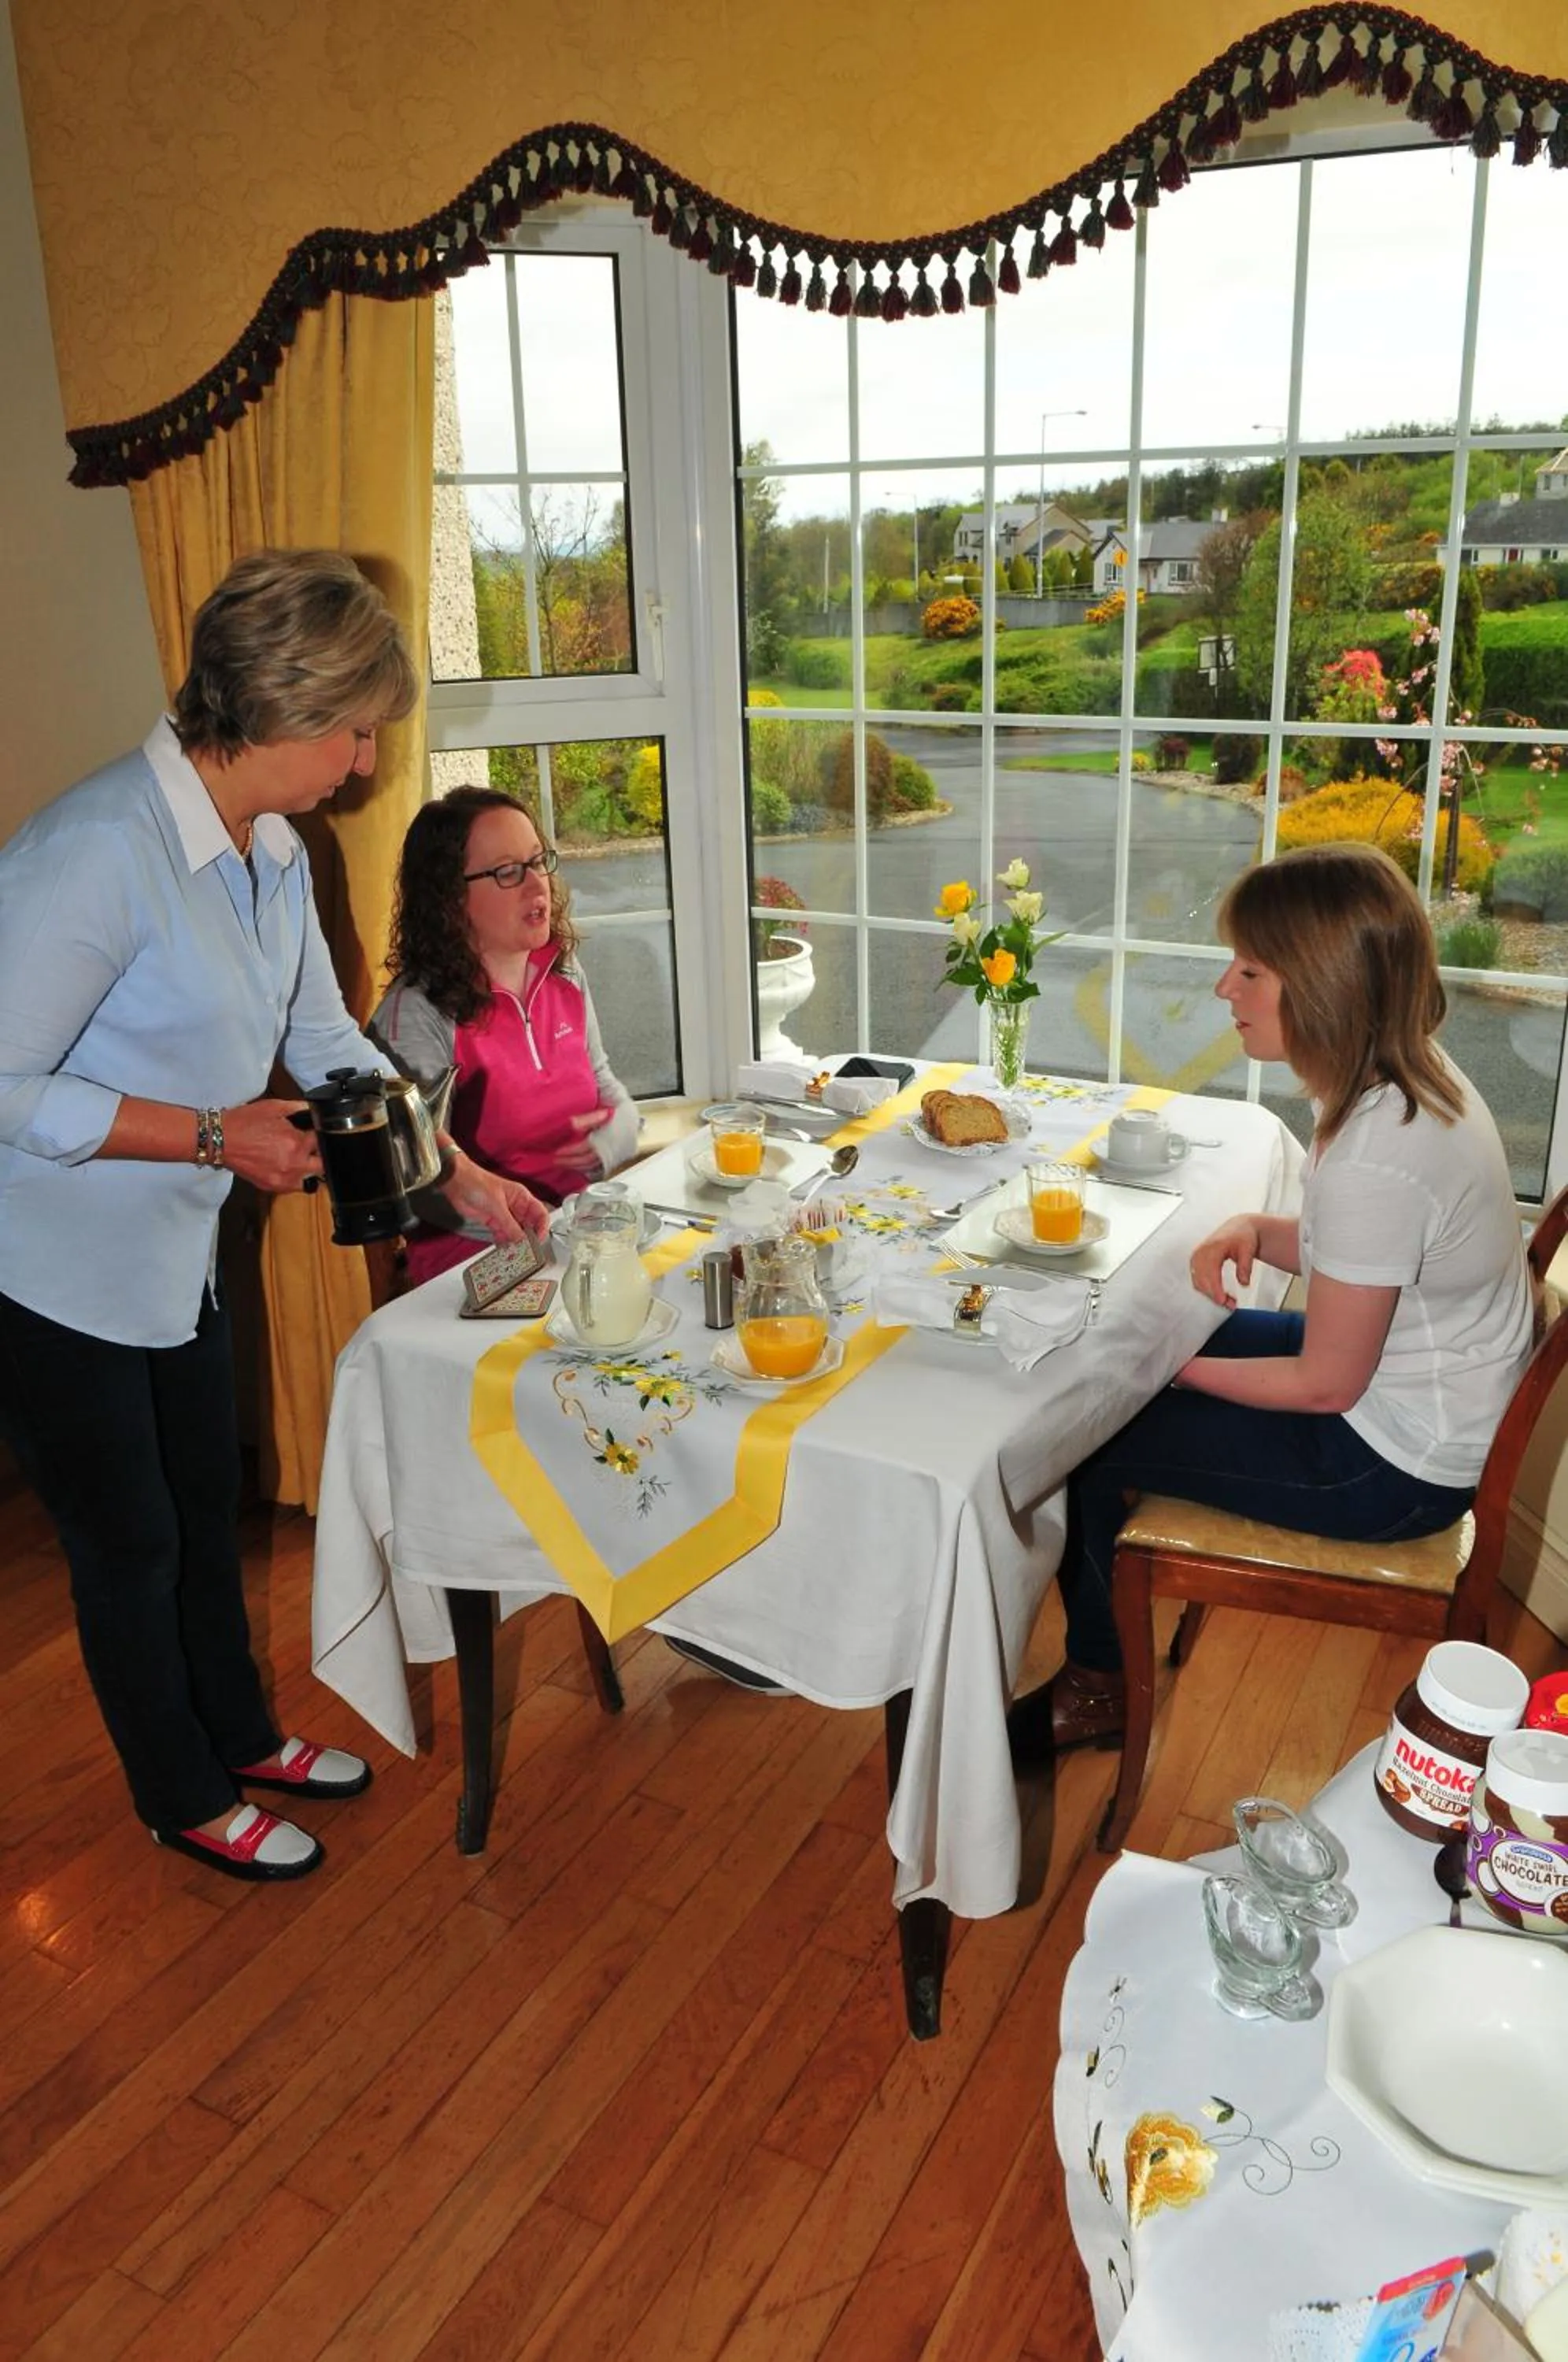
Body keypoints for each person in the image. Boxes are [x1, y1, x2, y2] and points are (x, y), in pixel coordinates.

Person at [0, 550, 549, 1882]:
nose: (365, 761)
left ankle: (238, 1735)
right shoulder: (96, 852)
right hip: (46, 1265)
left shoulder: (266, 847)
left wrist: (456, 1173)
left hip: (169, 1247)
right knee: (129, 1544)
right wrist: (206, 1133)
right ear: (285, 714)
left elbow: (317, 1031)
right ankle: (179, 1791)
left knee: (201, 1506)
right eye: (357, 729)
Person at [1010, 842, 1534, 1759]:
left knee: (1083, 1440)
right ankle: (1106, 1638)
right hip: (1411, 1392)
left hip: (1390, 1463)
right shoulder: (1409, 1080)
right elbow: (1371, 1257)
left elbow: (1324, 1383)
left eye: (1251, 969)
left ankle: (1098, 1689)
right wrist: (1258, 1226)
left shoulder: (1382, 1150)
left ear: (1324, 986)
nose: (1225, 988)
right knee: (1150, 1347)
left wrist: (1157, 1371)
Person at [369, 785, 639, 1285]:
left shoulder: (564, 970)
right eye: (507, 872)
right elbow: (415, 1182)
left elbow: (607, 1088)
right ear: (450, 897)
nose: (537, 886)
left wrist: (612, 1139)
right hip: (473, 1263)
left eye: (538, 862)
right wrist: (533, 1232)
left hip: (573, 1235)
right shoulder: (416, 1014)